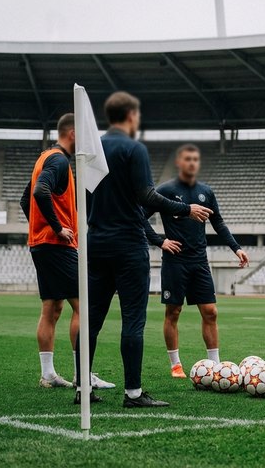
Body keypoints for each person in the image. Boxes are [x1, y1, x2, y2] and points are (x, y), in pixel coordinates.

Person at [75, 91, 213, 408]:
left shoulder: (90, 150)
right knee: (132, 321)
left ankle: (83, 389)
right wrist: (184, 208)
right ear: (132, 115)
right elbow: (146, 195)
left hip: (95, 241)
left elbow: (85, 197)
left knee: (90, 320)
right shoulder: (133, 148)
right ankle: (134, 393)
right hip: (127, 243)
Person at [20, 113, 113, 391]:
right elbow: (39, 192)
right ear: (72, 133)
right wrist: (57, 228)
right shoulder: (59, 160)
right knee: (83, 306)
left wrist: (39, 229)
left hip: (42, 244)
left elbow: (26, 199)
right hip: (57, 246)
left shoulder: (44, 157)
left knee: (52, 306)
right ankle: (81, 375)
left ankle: (48, 374)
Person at [145, 143, 249, 379]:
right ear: (179, 163)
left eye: (195, 159)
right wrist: (160, 241)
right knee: (174, 311)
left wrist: (236, 248)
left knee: (210, 311)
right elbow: (139, 217)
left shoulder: (206, 192)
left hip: (200, 261)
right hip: (175, 261)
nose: (192, 162)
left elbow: (218, 223)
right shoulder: (165, 190)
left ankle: (215, 365)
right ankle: (176, 365)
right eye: (187, 159)